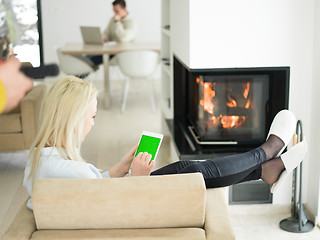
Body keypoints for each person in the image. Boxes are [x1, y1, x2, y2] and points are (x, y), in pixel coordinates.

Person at [23, 76, 307, 210]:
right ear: (72, 119)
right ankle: (267, 153)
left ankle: (266, 168)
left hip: (119, 198)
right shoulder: (70, 171)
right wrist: (138, 178)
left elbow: (90, 191)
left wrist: (115, 171)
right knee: (199, 173)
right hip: (132, 207)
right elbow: (110, 207)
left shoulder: (39, 160)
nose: (93, 124)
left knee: (189, 168)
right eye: (92, 116)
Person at [89, 0, 137, 66]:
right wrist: (104, 38)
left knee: (91, 61)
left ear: (124, 9)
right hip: (109, 50)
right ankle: (78, 75)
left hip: (121, 53)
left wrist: (117, 22)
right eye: (114, 11)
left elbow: (123, 38)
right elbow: (105, 33)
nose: (115, 14)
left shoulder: (131, 22)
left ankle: (80, 75)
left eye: (117, 11)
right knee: (88, 57)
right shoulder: (112, 19)